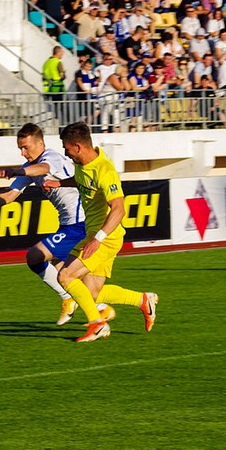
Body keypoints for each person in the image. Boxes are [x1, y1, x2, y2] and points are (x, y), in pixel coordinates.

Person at [42, 122, 158, 342]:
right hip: (94, 233)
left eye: (66, 148)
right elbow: (82, 180)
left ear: (77, 146)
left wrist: (98, 239)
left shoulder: (104, 169)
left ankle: (97, 325)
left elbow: (119, 208)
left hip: (106, 237)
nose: (66, 153)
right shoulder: (83, 163)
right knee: (91, 292)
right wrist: (59, 184)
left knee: (65, 276)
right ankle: (143, 300)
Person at [0, 123, 86, 323]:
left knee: (35, 256)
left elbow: (43, 168)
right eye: (20, 149)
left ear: (40, 143)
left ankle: (68, 299)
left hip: (81, 223)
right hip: (69, 224)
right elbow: (9, 195)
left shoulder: (51, 158)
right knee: (67, 274)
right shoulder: (29, 168)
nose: (23, 153)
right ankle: (132, 302)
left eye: (26, 148)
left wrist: (17, 172)